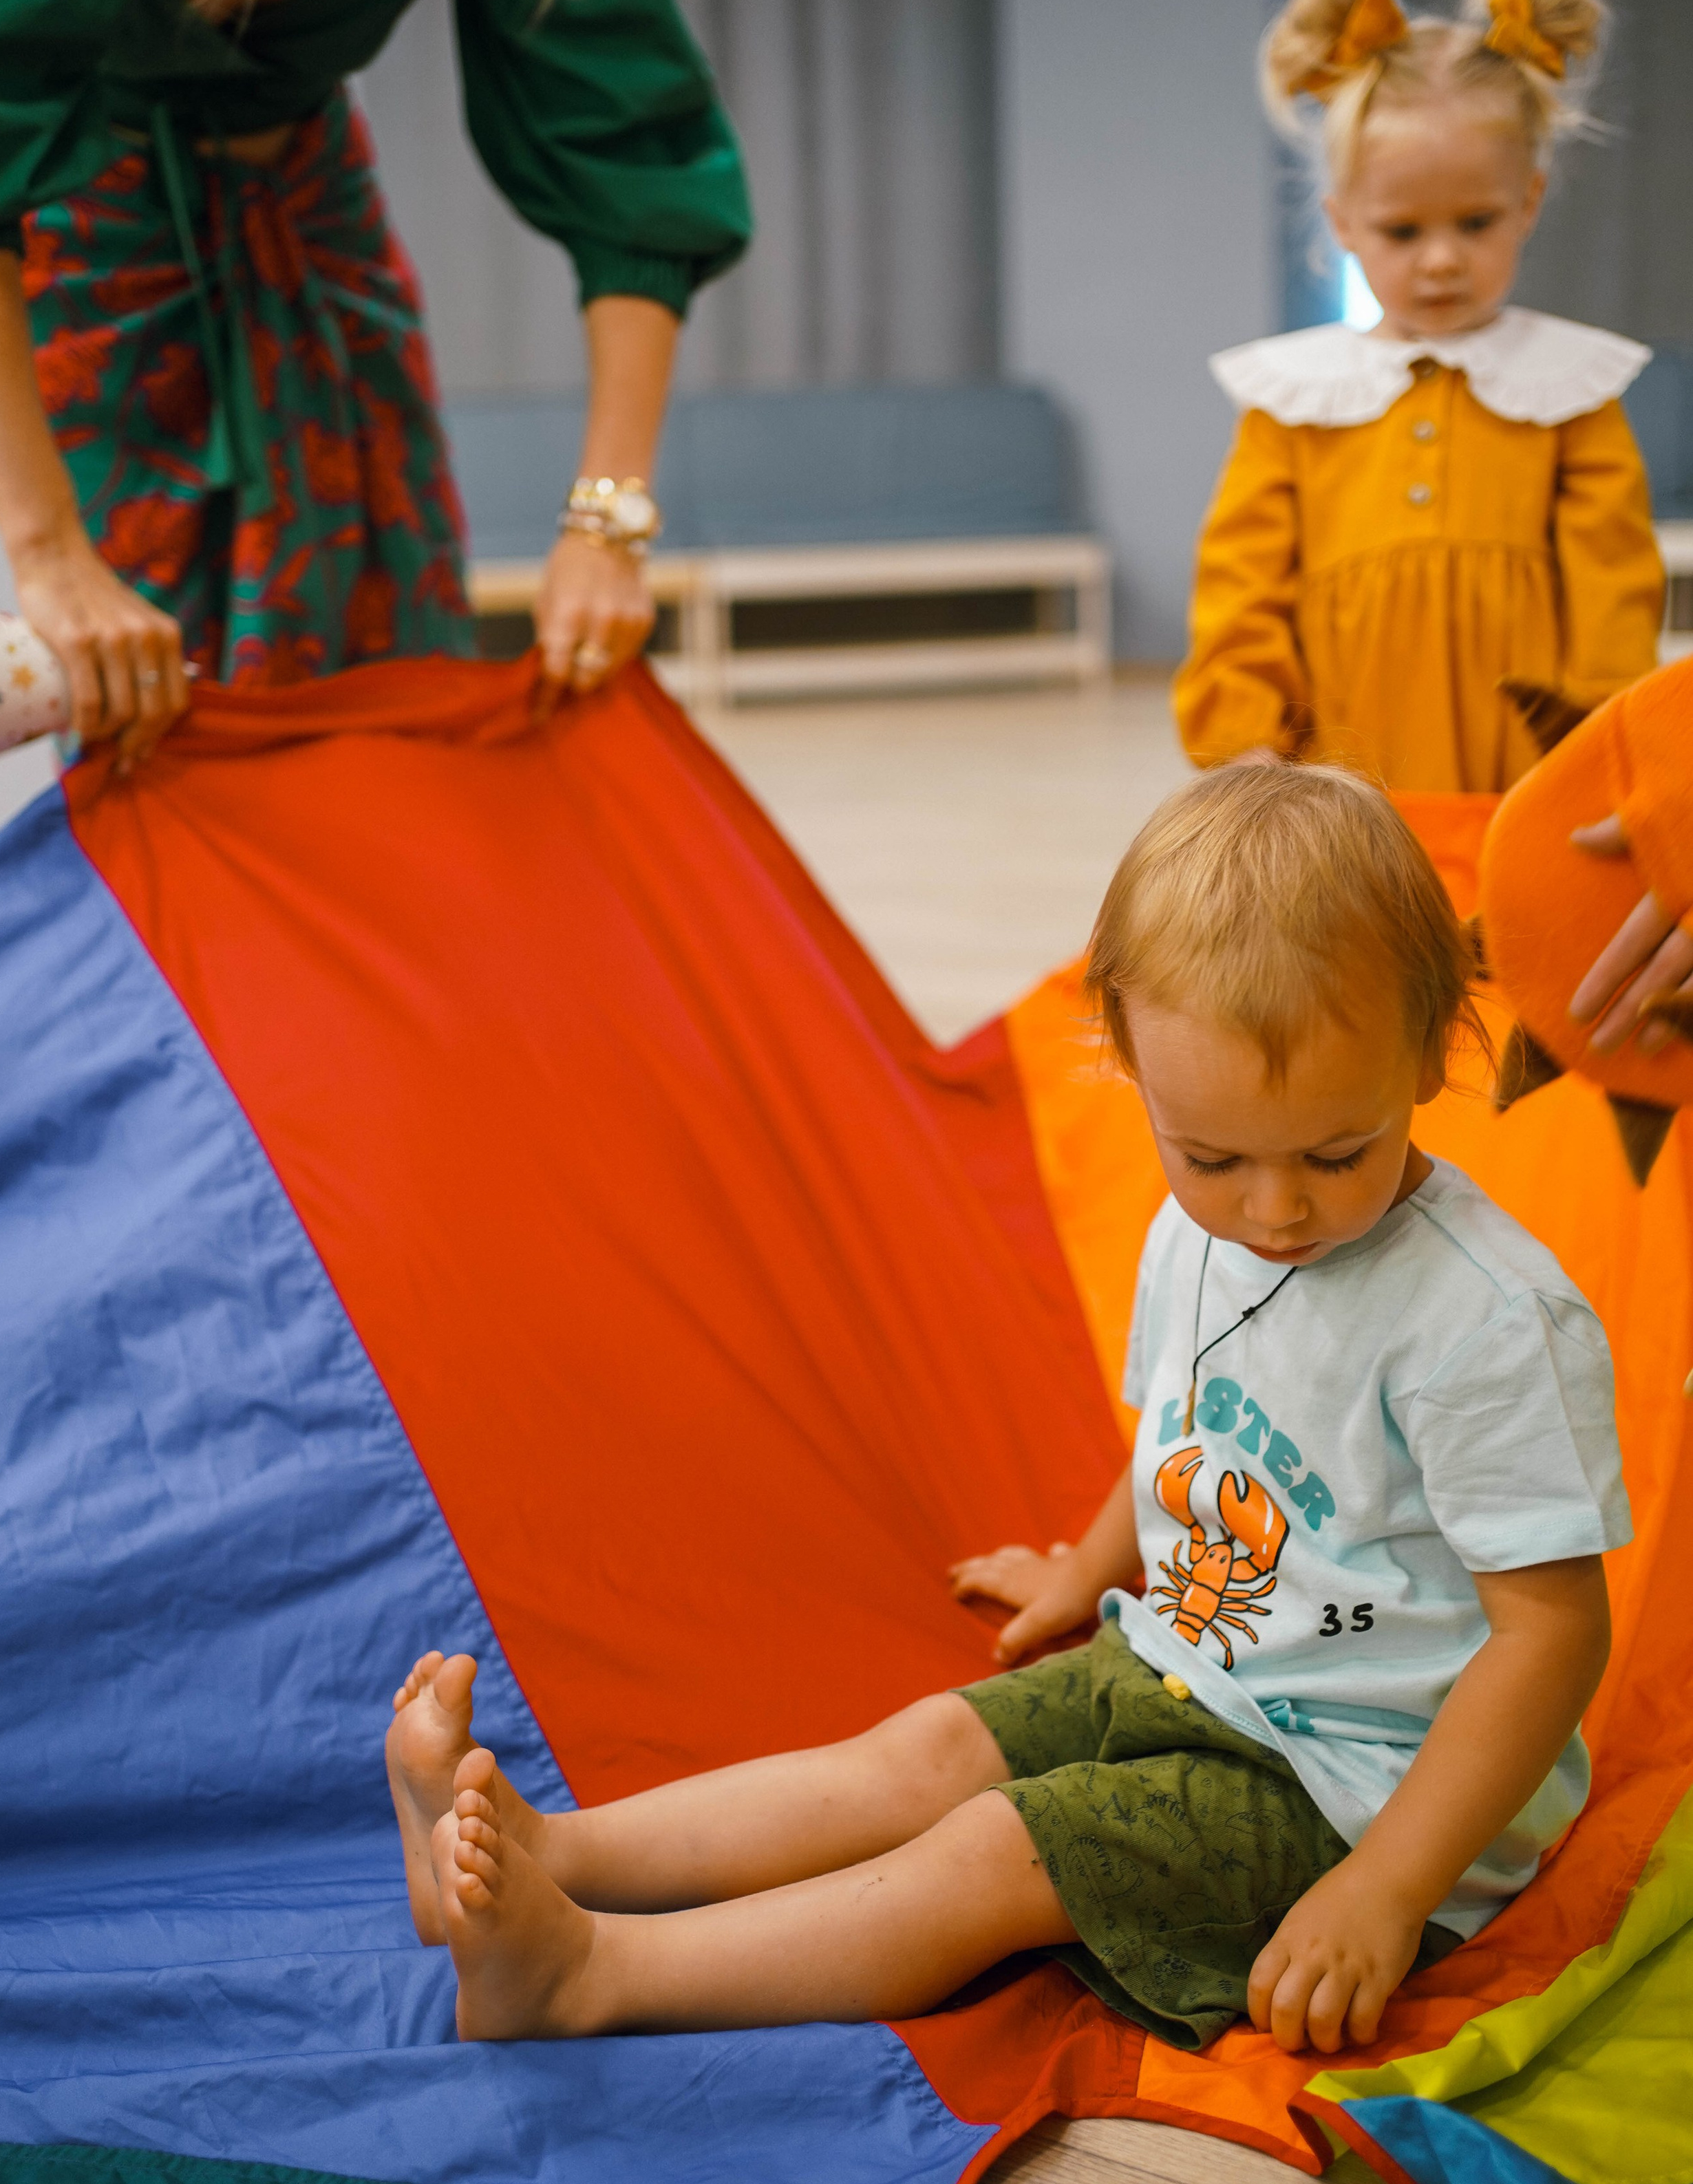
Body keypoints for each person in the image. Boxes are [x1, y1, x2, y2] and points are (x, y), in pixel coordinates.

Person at [385, 764, 1628, 2057]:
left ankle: (588, 1972)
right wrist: (1088, 1566)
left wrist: (1387, 1886)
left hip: (1363, 1793)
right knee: (919, 1755)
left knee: (994, 1852)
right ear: (1133, 1068)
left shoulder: (1486, 1322)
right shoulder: (1189, 1237)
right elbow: (1188, 1435)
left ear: (1434, 1049)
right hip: (1188, 1667)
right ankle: (556, 1850)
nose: (1275, 1212)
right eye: (1212, 1158)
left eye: (1335, 1153)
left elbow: (1551, 1637)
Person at [0, 0, 749, 767]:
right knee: (137, 704)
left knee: (388, 669)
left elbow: (634, 164)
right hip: (99, 254)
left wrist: (606, 531)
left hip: (317, 234)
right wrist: (47, 554)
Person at [1173, 0, 1662, 794]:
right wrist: (1245, 738)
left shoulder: (1567, 390)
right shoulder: (1294, 401)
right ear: (1344, 224)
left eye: (1474, 223)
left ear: (1529, 203)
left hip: (1528, 766)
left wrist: (1608, 745)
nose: (1441, 261)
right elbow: (1241, 589)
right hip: (1339, 771)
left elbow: (1613, 591)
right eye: (1403, 232)